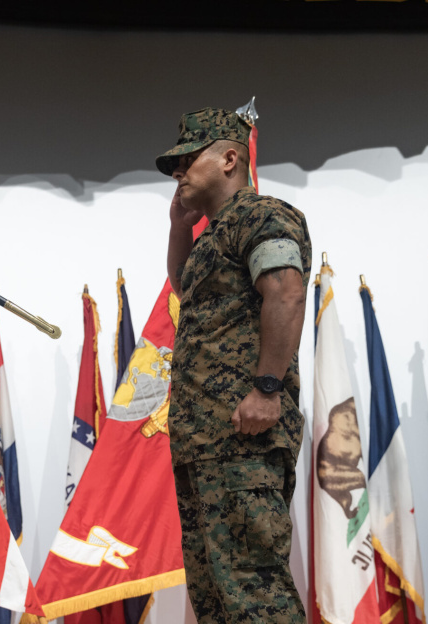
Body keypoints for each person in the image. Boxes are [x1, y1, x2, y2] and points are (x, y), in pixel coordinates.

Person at [159, 108, 311, 623]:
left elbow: (286, 293)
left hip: (243, 441)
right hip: (205, 445)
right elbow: (188, 289)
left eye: (187, 160)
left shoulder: (262, 215)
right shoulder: (213, 237)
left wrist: (267, 389)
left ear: (229, 158)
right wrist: (180, 227)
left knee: (254, 593)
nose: (178, 172)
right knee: (217, 602)